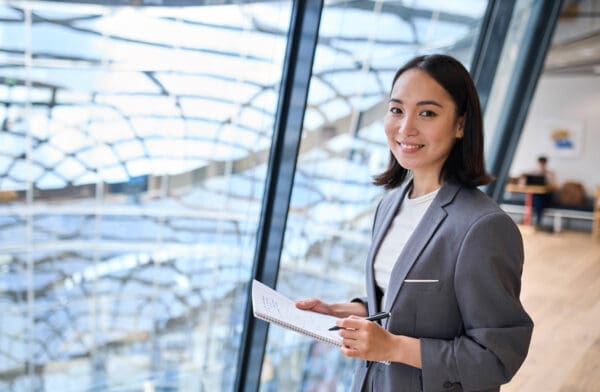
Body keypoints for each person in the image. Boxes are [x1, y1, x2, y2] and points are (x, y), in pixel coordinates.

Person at [296, 54, 533, 391]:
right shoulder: (389, 204)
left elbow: (497, 356)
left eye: (427, 113)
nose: (406, 128)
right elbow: (405, 304)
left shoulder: (483, 227)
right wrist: (342, 311)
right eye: (396, 110)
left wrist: (393, 348)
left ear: (460, 125)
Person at [531, 156, 557, 228]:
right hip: (535, 196)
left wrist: (549, 184)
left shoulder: (550, 174)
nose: (542, 165)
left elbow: (555, 186)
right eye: (540, 164)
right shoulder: (533, 173)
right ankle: (538, 221)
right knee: (537, 198)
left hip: (547, 196)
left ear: (545, 164)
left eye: (543, 164)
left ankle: (536, 221)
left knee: (539, 199)